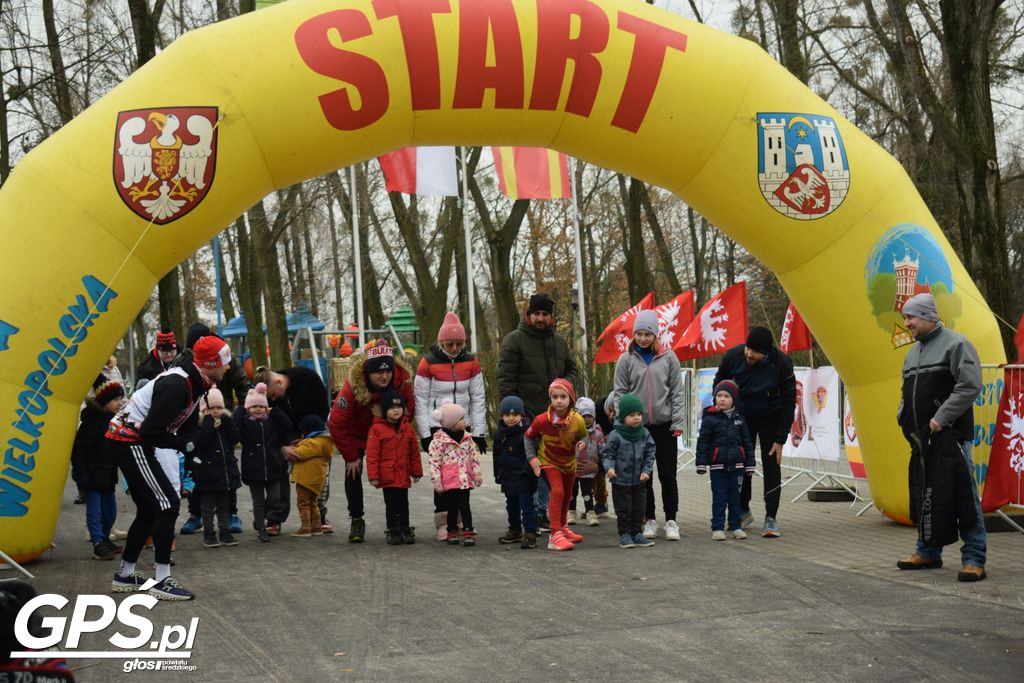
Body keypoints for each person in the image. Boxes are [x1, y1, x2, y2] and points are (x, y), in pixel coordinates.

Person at [105, 335, 232, 600]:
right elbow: (152, 431)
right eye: (225, 362)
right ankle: (161, 580)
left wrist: (192, 441)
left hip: (132, 440)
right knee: (167, 504)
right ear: (210, 363)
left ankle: (125, 574)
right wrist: (183, 446)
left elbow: (184, 424)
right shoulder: (178, 384)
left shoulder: (197, 381)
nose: (228, 367)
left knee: (150, 510)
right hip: (129, 440)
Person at [894, 293, 987, 582]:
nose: (907, 323)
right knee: (927, 494)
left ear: (928, 316)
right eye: (906, 317)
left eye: (911, 317)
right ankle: (928, 551)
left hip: (953, 436)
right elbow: (906, 391)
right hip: (923, 439)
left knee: (965, 496)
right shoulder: (912, 353)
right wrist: (902, 416)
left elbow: (970, 385)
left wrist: (940, 419)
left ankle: (974, 558)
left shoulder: (957, 344)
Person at [498, 293, 580, 530]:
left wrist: (563, 388)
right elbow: (506, 380)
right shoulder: (513, 341)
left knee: (551, 465)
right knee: (529, 466)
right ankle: (531, 512)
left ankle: (543, 512)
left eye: (545, 314)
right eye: (537, 314)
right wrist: (514, 412)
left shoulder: (559, 343)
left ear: (551, 317)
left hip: (555, 415)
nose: (541, 318)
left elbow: (573, 370)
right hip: (526, 414)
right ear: (529, 315)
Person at [606, 310, 686, 541]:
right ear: (634, 335)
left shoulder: (669, 357)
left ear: (655, 335)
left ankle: (671, 520)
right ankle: (649, 519)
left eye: (647, 334)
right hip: (638, 429)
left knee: (668, 475)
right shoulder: (626, 359)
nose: (642, 338)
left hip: (665, 425)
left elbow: (677, 393)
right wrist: (624, 419)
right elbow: (619, 392)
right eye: (639, 334)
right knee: (645, 476)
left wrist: (677, 422)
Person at [328, 340, 415, 543]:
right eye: (378, 372)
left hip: (386, 432)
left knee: (393, 472)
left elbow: (408, 412)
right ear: (368, 371)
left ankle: (397, 522)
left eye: (388, 371)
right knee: (353, 472)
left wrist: (395, 437)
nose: (384, 376)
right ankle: (357, 519)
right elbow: (336, 424)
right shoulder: (352, 388)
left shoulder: (403, 384)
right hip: (356, 435)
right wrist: (350, 456)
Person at [713, 326, 796, 538]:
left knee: (771, 464)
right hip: (743, 415)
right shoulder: (733, 356)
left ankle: (771, 517)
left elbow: (789, 403)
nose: (749, 354)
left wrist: (780, 439)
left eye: (755, 351)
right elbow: (719, 385)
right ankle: (742, 509)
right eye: (748, 348)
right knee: (742, 463)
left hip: (771, 414)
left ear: (766, 353)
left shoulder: (782, 364)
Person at [414, 312, 487, 540]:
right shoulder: (428, 362)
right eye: (449, 344)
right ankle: (443, 519)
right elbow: (420, 399)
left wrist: (480, 431)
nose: (454, 348)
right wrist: (426, 433)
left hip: (462, 424)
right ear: (441, 342)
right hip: (438, 424)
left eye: (459, 343)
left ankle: (461, 519)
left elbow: (478, 397)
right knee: (443, 475)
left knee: (462, 473)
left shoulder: (471, 361)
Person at [179, 324, 249, 536]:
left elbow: (243, 384)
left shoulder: (225, 356)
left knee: (226, 464)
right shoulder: (183, 360)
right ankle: (195, 514)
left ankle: (231, 513)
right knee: (196, 465)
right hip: (196, 420)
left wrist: (240, 414)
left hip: (222, 415)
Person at [253, 363, 328, 532]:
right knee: (279, 471)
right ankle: (275, 518)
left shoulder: (308, 378)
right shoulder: (274, 399)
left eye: (272, 395)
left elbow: (323, 410)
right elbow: (273, 424)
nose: (272, 399)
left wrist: (308, 438)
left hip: (313, 432)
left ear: (279, 382)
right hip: (287, 436)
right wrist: (283, 446)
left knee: (318, 474)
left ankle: (319, 516)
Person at [524, 379, 588, 552]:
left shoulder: (578, 420)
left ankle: (563, 526)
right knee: (558, 492)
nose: (559, 400)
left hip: (569, 463)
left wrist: (582, 442)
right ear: (550, 399)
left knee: (567, 495)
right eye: (555, 397)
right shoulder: (541, 420)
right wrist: (532, 458)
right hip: (548, 461)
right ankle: (555, 534)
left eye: (563, 396)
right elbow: (528, 436)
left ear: (571, 399)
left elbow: (584, 435)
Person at [71, 374, 125, 560]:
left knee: (110, 512)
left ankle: (105, 537)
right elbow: (78, 451)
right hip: (92, 477)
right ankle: (97, 543)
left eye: (121, 399)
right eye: (116, 400)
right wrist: (81, 476)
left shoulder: (112, 422)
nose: (120, 403)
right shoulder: (92, 423)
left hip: (107, 475)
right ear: (104, 401)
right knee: (95, 512)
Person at [695, 381, 756, 540]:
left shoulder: (740, 420)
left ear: (734, 399)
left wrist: (749, 464)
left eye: (726, 396)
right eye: (719, 395)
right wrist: (701, 463)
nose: (722, 399)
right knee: (719, 498)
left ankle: (736, 526)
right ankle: (717, 527)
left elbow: (748, 443)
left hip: (737, 466)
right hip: (717, 466)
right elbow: (703, 442)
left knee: (735, 498)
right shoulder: (710, 419)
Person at [234, 383, 293, 542]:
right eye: (254, 407)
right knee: (258, 501)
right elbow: (234, 431)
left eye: (261, 406)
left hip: (273, 466)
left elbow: (288, 425)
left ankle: (260, 517)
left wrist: (276, 411)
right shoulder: (245, 422)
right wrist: (240, 410)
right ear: (248, 408)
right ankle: (261, 529)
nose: (258, 409)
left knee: (275, 497)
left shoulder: (272, 421)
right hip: (253, 468)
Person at [366, 390, 422, 545]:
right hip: (387, 475)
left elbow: (414, 452)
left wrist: (416, 471)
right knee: (391, 504)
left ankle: (404, 528)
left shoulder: (407, 428)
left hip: (403, 474)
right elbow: (372, 455)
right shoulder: (376, 429)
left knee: (403, 503)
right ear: (384, 410)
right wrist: (373, 476)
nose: (396, 410)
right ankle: (392, 530)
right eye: (391, 408)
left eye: (398, 407)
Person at [602, 393, 657, 549]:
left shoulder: (644, 433)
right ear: (623, 417)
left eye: (639, 414)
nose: (637, 418)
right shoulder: (616, 435)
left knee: (639, 508)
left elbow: (650, 452)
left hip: (639, 479)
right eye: (632, 415)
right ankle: (625, 535)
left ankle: (637, 533)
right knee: (624, 509)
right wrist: (609, 468)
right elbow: (608, 454)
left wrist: (647, 470)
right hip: (620, 480)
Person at [191, 388, 241, 548]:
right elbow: (203, 442)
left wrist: (227, 422)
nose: (215, 412)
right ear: (204, 411)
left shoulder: (225, 423)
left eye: (219, 408)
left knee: (223, 505)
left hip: (225, 473)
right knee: (207, 506)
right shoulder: (200, 426)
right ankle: (209, 534)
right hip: (208, 473)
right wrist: (208, 423)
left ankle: (225, 532)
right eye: (211, 409)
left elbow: (235, 439)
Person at [428, 403, 482, 546]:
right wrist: (436, 480)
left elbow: (474, 457)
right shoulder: (438, 442)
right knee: (451, 507)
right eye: (461, 419)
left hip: (465, 480)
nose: (464, 421)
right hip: (450, 481)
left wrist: (477, 474)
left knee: (465, 506)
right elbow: (434, 462)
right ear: (451, 423)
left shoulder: (468, 439)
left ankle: (468, 531)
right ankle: (451, 530)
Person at [493, 395, 538, 549]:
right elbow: (496, 454)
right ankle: (515, 530)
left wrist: (527, 472)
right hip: (508, 477)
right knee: (511, 506)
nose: (511, 418)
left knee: (526, 506)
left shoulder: (526, 434)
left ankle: (530, 532)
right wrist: (497, 473)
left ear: (521, 416)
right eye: (507, 415)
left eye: (515, 415)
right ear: (502, 416)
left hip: (524, 478)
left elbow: (530, 455)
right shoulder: (500, 434)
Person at [287, 415, 335, 538]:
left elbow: (300, 454)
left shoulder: (312, 443)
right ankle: (316, 526)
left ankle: (305, 527)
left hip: (306, 479)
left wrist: (291, 448)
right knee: (313, 503)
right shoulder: (324, 442)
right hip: (316, 480)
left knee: (303, 503)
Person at [569, 397, 604, 526]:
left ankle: (590, 511)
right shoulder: (573, 432)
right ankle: (571, 512)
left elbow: (603, 450)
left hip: (588, 469)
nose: (587, 419)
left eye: (590, 416)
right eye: (583, 416)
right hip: (574, 467)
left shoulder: (598, 434)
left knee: (587, 491)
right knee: (572, 491)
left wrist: (600, 462)